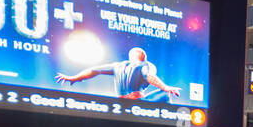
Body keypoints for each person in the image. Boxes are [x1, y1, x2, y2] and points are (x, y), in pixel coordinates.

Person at [55, 46, 183, 101]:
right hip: (139, 102)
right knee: (165, 95)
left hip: (120, 102)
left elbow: (93, 70)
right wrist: (166, 88)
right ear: (143, 57)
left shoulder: (117, 66)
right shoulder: (145, 65)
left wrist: (74, 78)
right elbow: (149, 76)